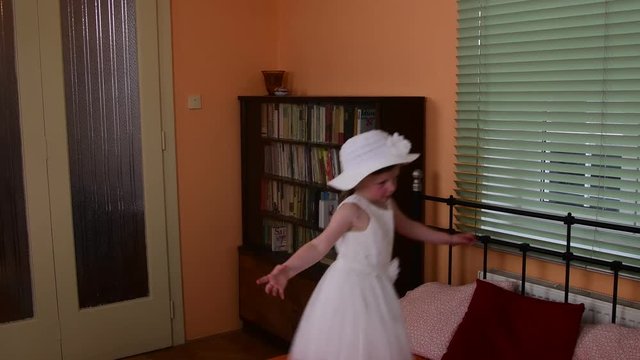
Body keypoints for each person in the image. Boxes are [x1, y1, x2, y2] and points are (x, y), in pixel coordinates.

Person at [256, 129, 476, 360]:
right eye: (382, 182)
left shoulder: (386, 203)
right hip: (350, 288)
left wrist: (448, 238)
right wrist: (287, 269)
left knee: (376, 345)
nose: (391, 188)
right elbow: (319, 246)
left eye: (394, 179)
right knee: (350, 344)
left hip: (377, 288)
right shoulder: (352, 210)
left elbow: (409, 227)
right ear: (360, 179)